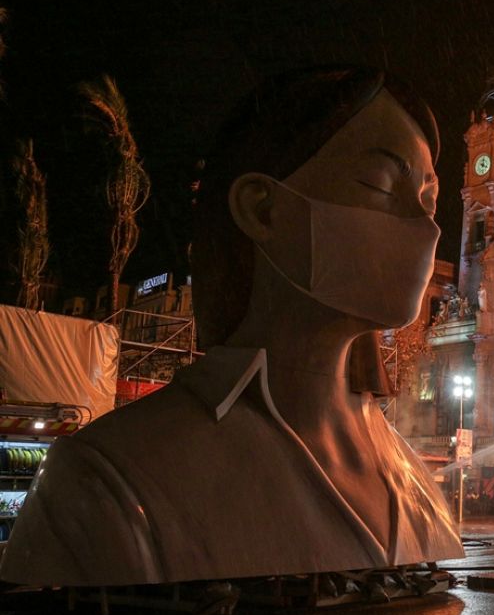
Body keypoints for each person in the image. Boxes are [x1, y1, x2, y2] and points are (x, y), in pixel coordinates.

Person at [0, 65, 464, 586]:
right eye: (379, 184)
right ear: (262, 209)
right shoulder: (106, 482)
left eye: (429, 200)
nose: (426, 227)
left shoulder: (415, 480)